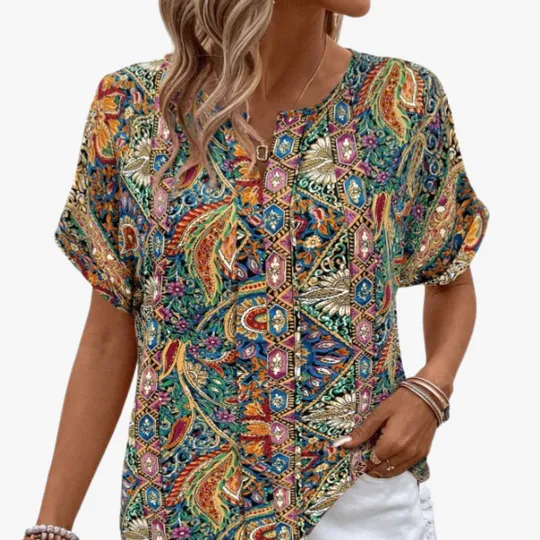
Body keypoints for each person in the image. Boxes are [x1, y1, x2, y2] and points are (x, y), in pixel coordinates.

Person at [23, 1, 490, 539]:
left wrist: (431, 390)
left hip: (356, 497)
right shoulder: (131, 108)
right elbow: (109, 335)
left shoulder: (401, 100)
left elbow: (450, 271)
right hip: (182, 511)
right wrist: (51, 525)